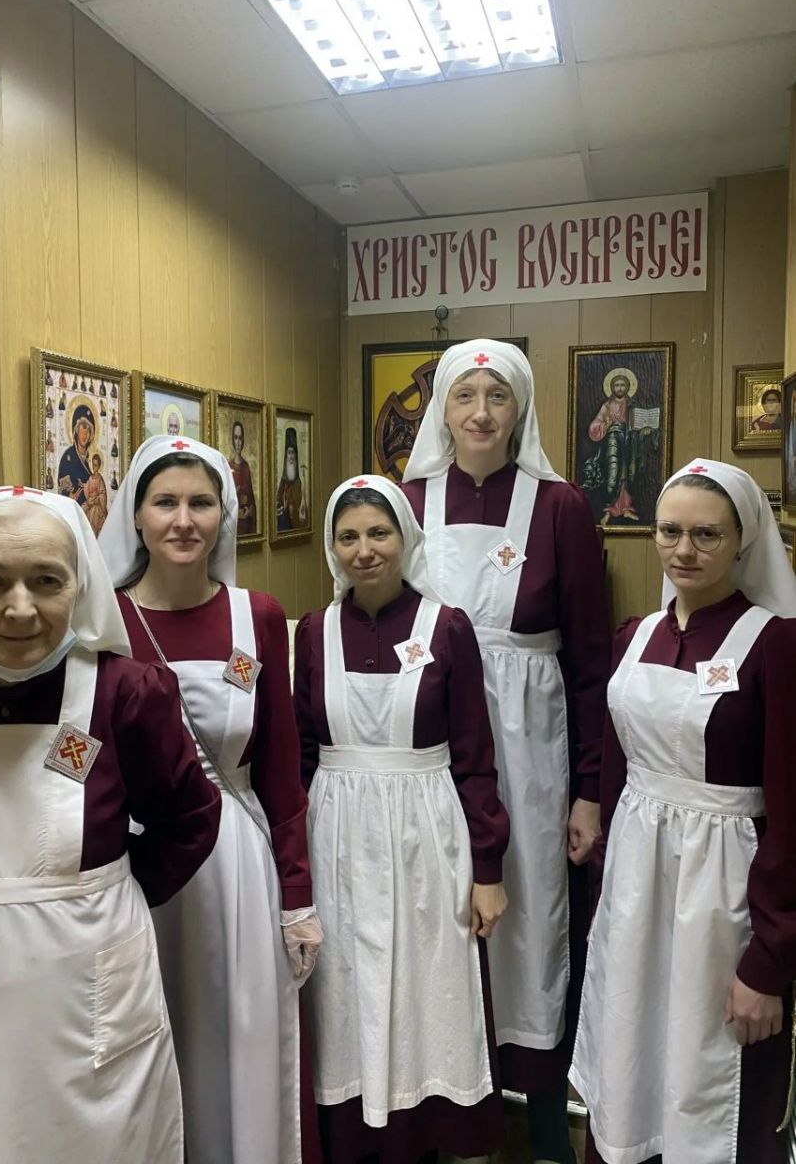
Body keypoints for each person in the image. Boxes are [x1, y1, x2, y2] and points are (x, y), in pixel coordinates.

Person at [0, 484, 222, 1162]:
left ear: (80, 583)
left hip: (90, 1002)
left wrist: (106, 899)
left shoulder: (126, 693)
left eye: (46, 580)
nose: (20, 609)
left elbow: (189, 816)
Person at [402, 339, 611, 1164]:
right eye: (465, 396)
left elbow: (590, 660)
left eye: (497, 396)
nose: (481, 413)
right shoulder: (408, 499)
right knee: (438, 906)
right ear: (442, 410)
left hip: (530, 739)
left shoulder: (560, 506)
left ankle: (541, 1116)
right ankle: (445, 1107)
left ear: (520, 409)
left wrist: (589, 788)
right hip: (430, 736)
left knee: (528, 915)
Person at [99, 435, 323, 1164]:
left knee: (239, 1038)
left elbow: (281, 769)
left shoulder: (257, 618)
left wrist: (297, 898)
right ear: (136, 516)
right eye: (165, 502)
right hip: (138, 867)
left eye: (201, 503)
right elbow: (79, 751)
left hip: (236, 863)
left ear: (223, 515)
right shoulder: (102, 621)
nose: (183, 520)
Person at [571, 459, 796, 1164]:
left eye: (706, 534)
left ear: (742, 541)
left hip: (724, 895)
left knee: (712, 1071)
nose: (684, 550)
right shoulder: (635, 635)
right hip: (637, 891)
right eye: (670, 531)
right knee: (631, 1055)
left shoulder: (774, 644)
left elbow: (791, 815)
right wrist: (607, 881)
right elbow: (617, 768)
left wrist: (770, 963)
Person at [295, 474, 511, 1164]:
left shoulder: (447, 627)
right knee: (344, 990)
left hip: (426, 836)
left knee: (429, 990)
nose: (365, 550)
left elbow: (475, 756)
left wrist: (487, 870)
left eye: (379, 533)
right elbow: (301, 754)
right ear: (332, 547)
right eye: (349, 537)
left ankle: (426, 1140)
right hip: (336, 836)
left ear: (406, 538)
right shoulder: (314, 632)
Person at [583, 371, 655, 524]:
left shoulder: (632, 405)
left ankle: (626, 508)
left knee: (628, 474)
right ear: (612, 387)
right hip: (613, 442)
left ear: (628, 387)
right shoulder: (607, 406)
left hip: (630, 443)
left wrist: (645, 430)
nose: (620, 388)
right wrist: (605, 425)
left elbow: (640, 423)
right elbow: (596, 423)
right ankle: (609, 510)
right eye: (617, 385)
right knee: (613, 472)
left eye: (623, 385)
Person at [58, 403, 96, 505]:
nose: (86, 433)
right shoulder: (68, 458)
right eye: (83, 427)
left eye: (89, 430)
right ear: (76, 428)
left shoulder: (91, 461)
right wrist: (69, 497)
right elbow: (64, 491)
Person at [228, 419, 257, 535]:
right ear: (232, 440)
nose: (238, 442)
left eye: (240, 438)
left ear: (243, 440)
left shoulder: (246, 467)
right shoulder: (228, 466)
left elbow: (251, 499)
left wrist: (250, 510)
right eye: (235, 438)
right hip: (233, 523)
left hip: (245, 524)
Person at [277, 426, 308, 531]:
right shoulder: (283, 481)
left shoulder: (299, 481)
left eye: (292, 453)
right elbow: (278, 501)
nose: (290, 456)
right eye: (289, 453)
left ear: (295, 455)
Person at [82, 451, 109, 536]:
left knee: (93, 517)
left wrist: (97, 499)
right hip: (89, 502)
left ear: (99, 466)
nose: (94, 467)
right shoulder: (90, 478)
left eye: (96, 465)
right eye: (93, 465)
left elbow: (102, 494)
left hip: (97, 505)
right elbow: (87, 489)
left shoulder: (100, 479)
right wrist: (84, 486)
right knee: (81, 510)